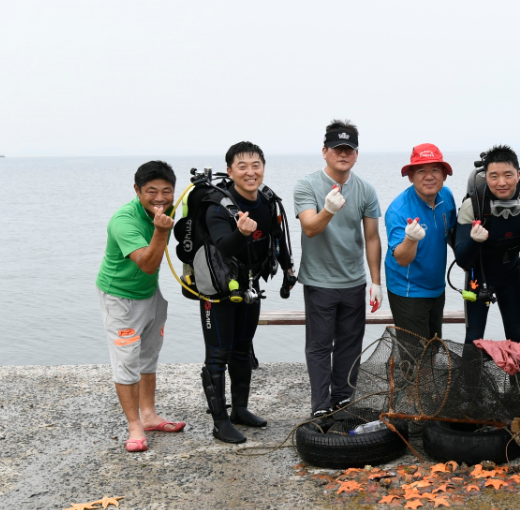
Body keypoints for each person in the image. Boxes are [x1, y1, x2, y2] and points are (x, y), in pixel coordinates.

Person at [197, 142, 294, 443]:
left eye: (256, 165)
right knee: (218, 354)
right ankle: (220, 422)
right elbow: (223, 246)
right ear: (230, 171)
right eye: (242, 166)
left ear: (263, 167)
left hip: (251, 285)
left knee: (243, 347)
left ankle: (240, 410)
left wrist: (289, 270)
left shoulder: (267, 201)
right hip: (218, 291)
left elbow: (278, 238)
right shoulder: (217, 205)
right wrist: (241, 232)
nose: (250, 172)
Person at [294, 120, 382, 418]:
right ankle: (320, 407)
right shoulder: (307, 185)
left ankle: (343, 399)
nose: (343, 154)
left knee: (349, 345)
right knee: (320, 346)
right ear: (325, 151)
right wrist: (328, 210)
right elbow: (309, 228)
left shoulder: (366, 190)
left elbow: (372, 237)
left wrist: (375, 282)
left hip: (354, 281)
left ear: (356, 154)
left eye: (349, 149)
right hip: (319, 281)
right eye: (337, 149)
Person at [95, 160, 185, 452]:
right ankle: (134, 424)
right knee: (126, 361)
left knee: (148, 354)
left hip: (150, 294)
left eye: (167, 191)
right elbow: (147, 264)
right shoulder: (124, 220)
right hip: (120, 297)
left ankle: (149, 416)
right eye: (151, 191)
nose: (160, 198)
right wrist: (160, 231)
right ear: (137, 190)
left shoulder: (169, 208)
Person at [453, 145, 520, 344]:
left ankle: (516, 376)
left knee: (516, 335)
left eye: (508, 175)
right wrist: (474, 242)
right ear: (486, 176)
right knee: (474, 337)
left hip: (511, 274)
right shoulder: (473, 206)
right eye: (494, 176)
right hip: (478, 276)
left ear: (518, 175)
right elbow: (461, 259)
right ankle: (471, 377)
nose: (501, 183)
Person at [383, 143, 457, 341]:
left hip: (436, 286)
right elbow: (402, 258)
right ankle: (408, 372)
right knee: (416, 357)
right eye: (421, 171)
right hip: (408, 290)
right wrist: (410, 239)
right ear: (411, 176)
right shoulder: (398, 210)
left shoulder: (447, 197)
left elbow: (450, 232)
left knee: (433, 347)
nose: (429, 176)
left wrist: (466, 257)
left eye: (435, 170)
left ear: (444, 175)